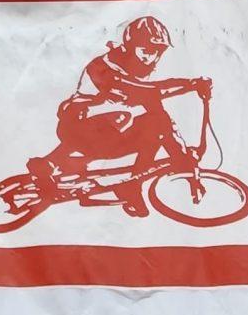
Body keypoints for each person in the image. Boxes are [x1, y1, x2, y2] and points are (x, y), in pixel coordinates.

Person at [28, 16, 197, 199]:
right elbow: (146, 91)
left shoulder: (137, 71)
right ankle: (51, 165)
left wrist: (183, 158)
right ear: (130, 46)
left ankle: (132, 187)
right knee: (120, 116)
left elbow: (160, 117)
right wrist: (190, 84)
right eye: (146, 50)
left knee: (153, 124)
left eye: (158, 52)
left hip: (100, 132)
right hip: (78, 128)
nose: (152, 58)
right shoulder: (105, 67)